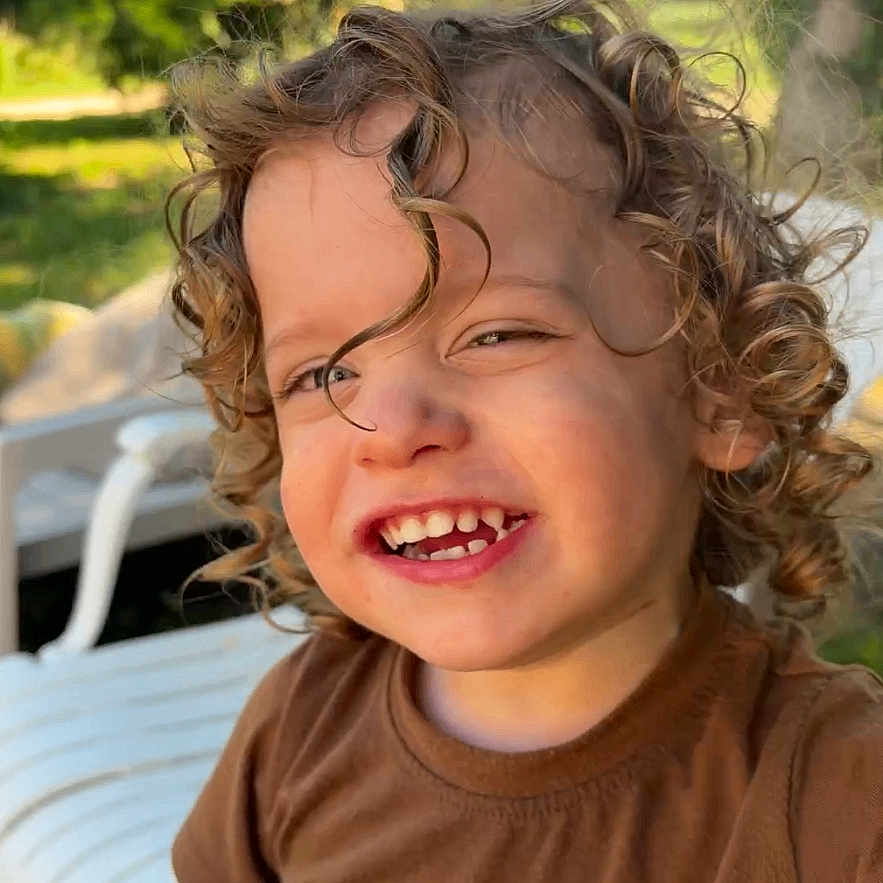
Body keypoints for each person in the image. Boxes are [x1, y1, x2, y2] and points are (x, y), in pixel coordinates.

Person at [165, 2, 883, 880]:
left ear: (720, 387)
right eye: (321, 375)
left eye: (497, 334)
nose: (391, 430)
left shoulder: (840, 798)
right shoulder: (295, 734)